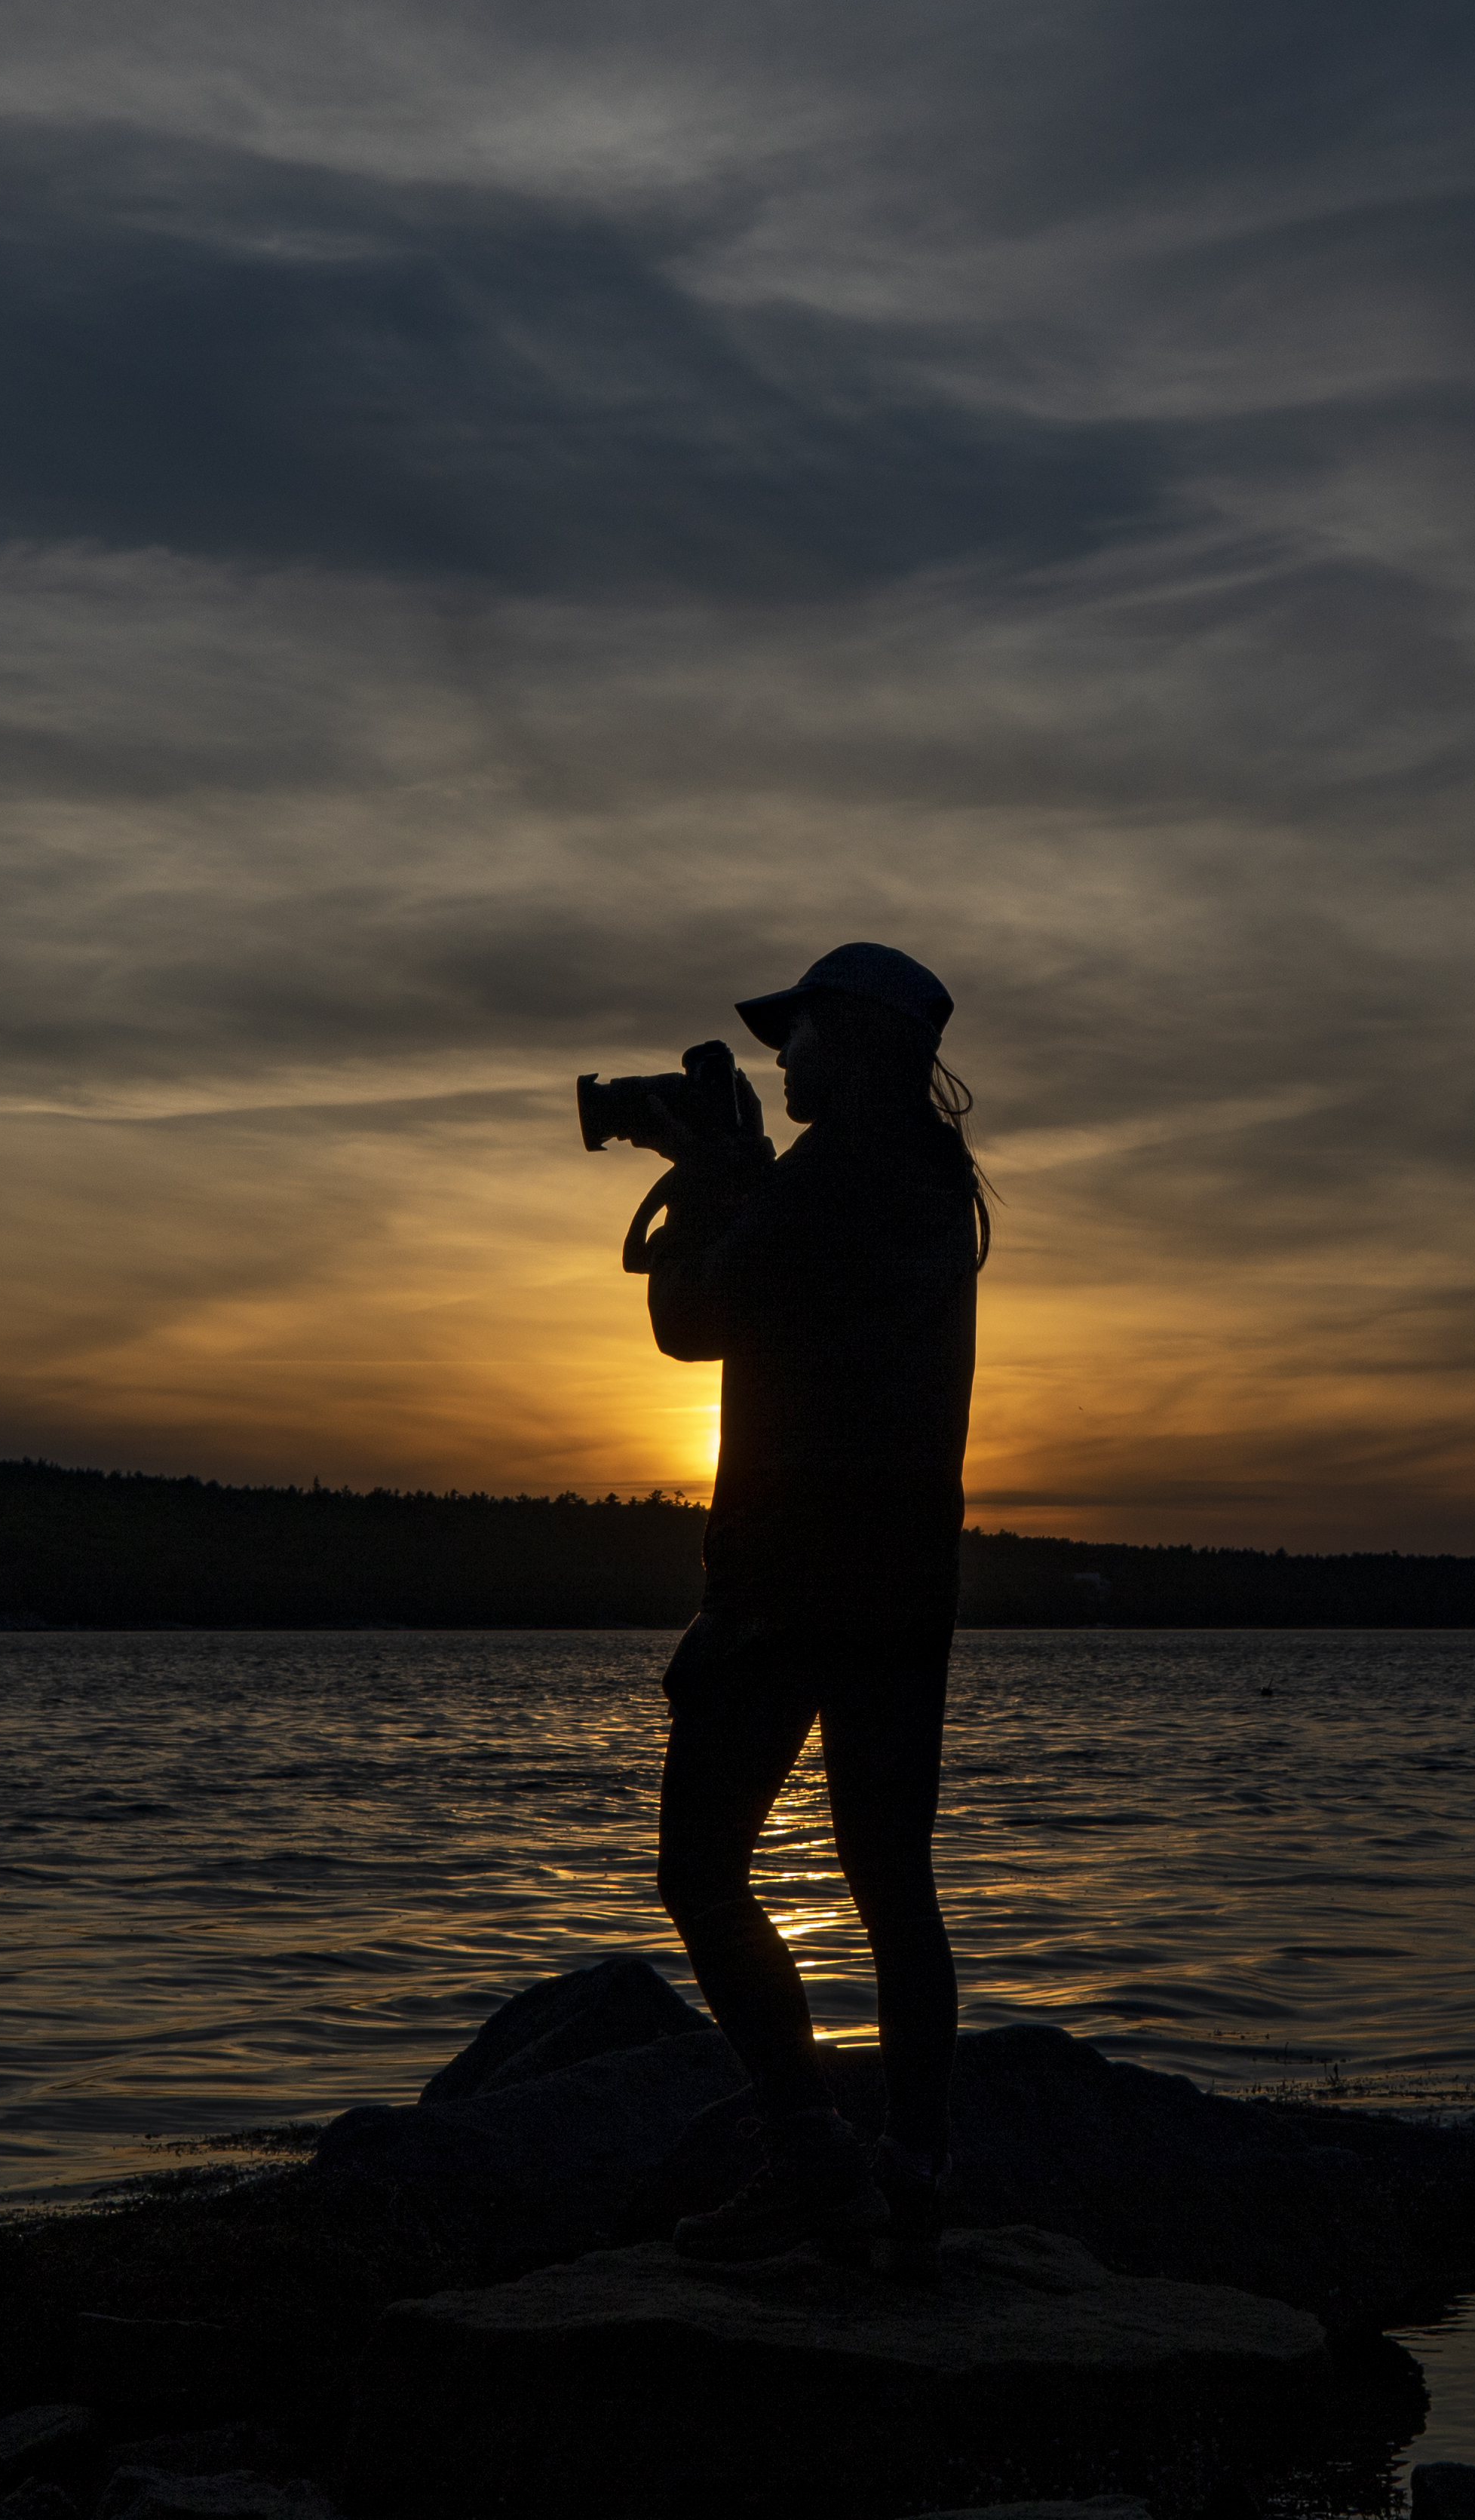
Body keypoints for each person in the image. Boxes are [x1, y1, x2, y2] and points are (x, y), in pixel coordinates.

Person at [622, 941, 988, 2270]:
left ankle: (812, 2156)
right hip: (904, 1579)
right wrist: (741, 1177)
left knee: (703, 1870)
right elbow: (804, 1295)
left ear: (857, 1037)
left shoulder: (838, 1172)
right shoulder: (932, 1187)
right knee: (892, 1873)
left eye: (801, 1037)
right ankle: (917, 2160)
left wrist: (708, 1171)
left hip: (788, 1576)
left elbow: (696, 1315)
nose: (783, 1061)